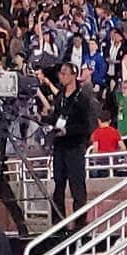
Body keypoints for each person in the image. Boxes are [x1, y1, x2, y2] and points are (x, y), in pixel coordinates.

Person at [40, 62, 91, 224]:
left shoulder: (82, 98)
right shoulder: (60, 97)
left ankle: (80, 225)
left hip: (74, 148)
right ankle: (58, 225)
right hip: (59, 148)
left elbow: (85, 126)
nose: (61, 77)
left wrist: (67, 131)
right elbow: (56, 118)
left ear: (73, 75)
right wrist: (43, 120)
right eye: (60, 74)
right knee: (58, 187)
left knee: (77, 189)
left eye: (64, 73)